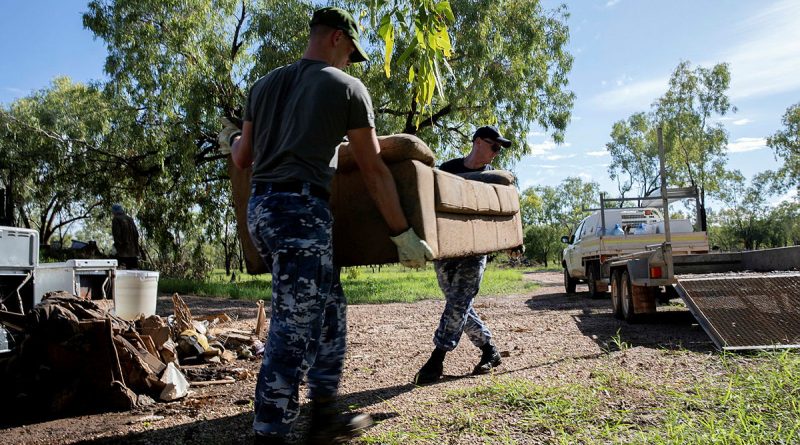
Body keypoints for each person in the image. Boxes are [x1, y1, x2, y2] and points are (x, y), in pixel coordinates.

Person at [219, 7, 433, 445]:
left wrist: (232, 137)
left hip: (261, 210)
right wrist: (402, 233)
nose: (349, 62)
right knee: (293, 328)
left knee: (330, 309)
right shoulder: (347, 88)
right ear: (337, 37)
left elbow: (243, 157)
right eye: (350, 52)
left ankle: (324, 414)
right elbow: (373, 168)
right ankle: (270, 432)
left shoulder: (262, 86)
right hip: (300, 213)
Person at [414, 125, 511, 385]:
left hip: (476, 251)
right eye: (494, 146)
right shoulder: (448, 169)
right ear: (478, 142)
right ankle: (489, 349)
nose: (496, 152)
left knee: (458, 301)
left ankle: (437, 358)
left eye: (499, 149)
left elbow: (504, 211)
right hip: (445, 251)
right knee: (458, 304)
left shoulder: (494, 177)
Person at [111, 203, 140, 269]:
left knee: (117, 272)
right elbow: (136, 234)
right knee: (133, 273)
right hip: (133, 252)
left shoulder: (116, 219)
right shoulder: (130, 219)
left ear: (114, 211)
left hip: (123, 252)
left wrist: (117, 248)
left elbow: (117, 235)